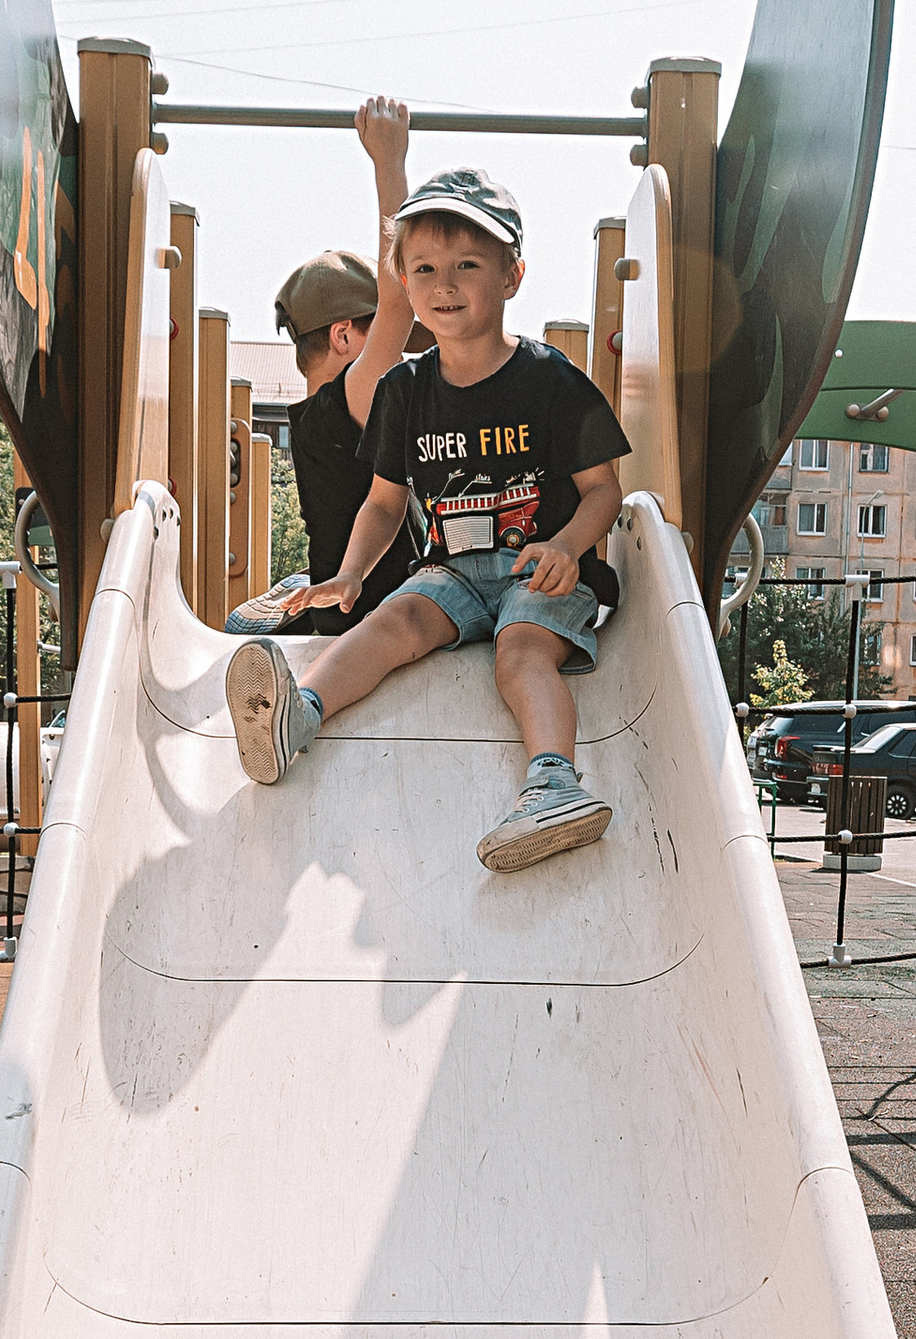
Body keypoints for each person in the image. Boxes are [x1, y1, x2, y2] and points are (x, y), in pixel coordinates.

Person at [222, 168, 629, 873]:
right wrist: (350, 573)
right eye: (425, 269)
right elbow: (383, 503)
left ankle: (554, 786)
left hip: (538, 570)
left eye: (467, 265)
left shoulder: (550, 379)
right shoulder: (403, 391)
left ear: (512, 275)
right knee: (392, 621)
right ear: (404, 286)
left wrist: (567, 546)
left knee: (520, 652)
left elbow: (604, 490)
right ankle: (299, 717)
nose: (445, 284)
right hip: (452, 574)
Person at [227, 96, 422, 638]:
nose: (398, 356)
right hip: (371, 616)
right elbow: (400, 300)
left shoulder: (316, 420)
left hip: (342, 605)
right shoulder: (349, 401)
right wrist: (390, 162)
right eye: (378, 338)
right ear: (343, 337)